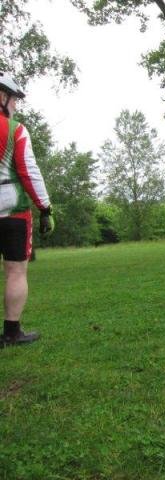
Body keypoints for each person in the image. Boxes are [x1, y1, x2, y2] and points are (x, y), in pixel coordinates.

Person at [0, 72, 54, 348]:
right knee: (16, 271)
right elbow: (28, 171)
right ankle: (11, 333)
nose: (15, 106)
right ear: (2, 96)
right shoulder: (14, 130)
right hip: (12, 210)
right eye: (14, 99)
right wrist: (45, 207)